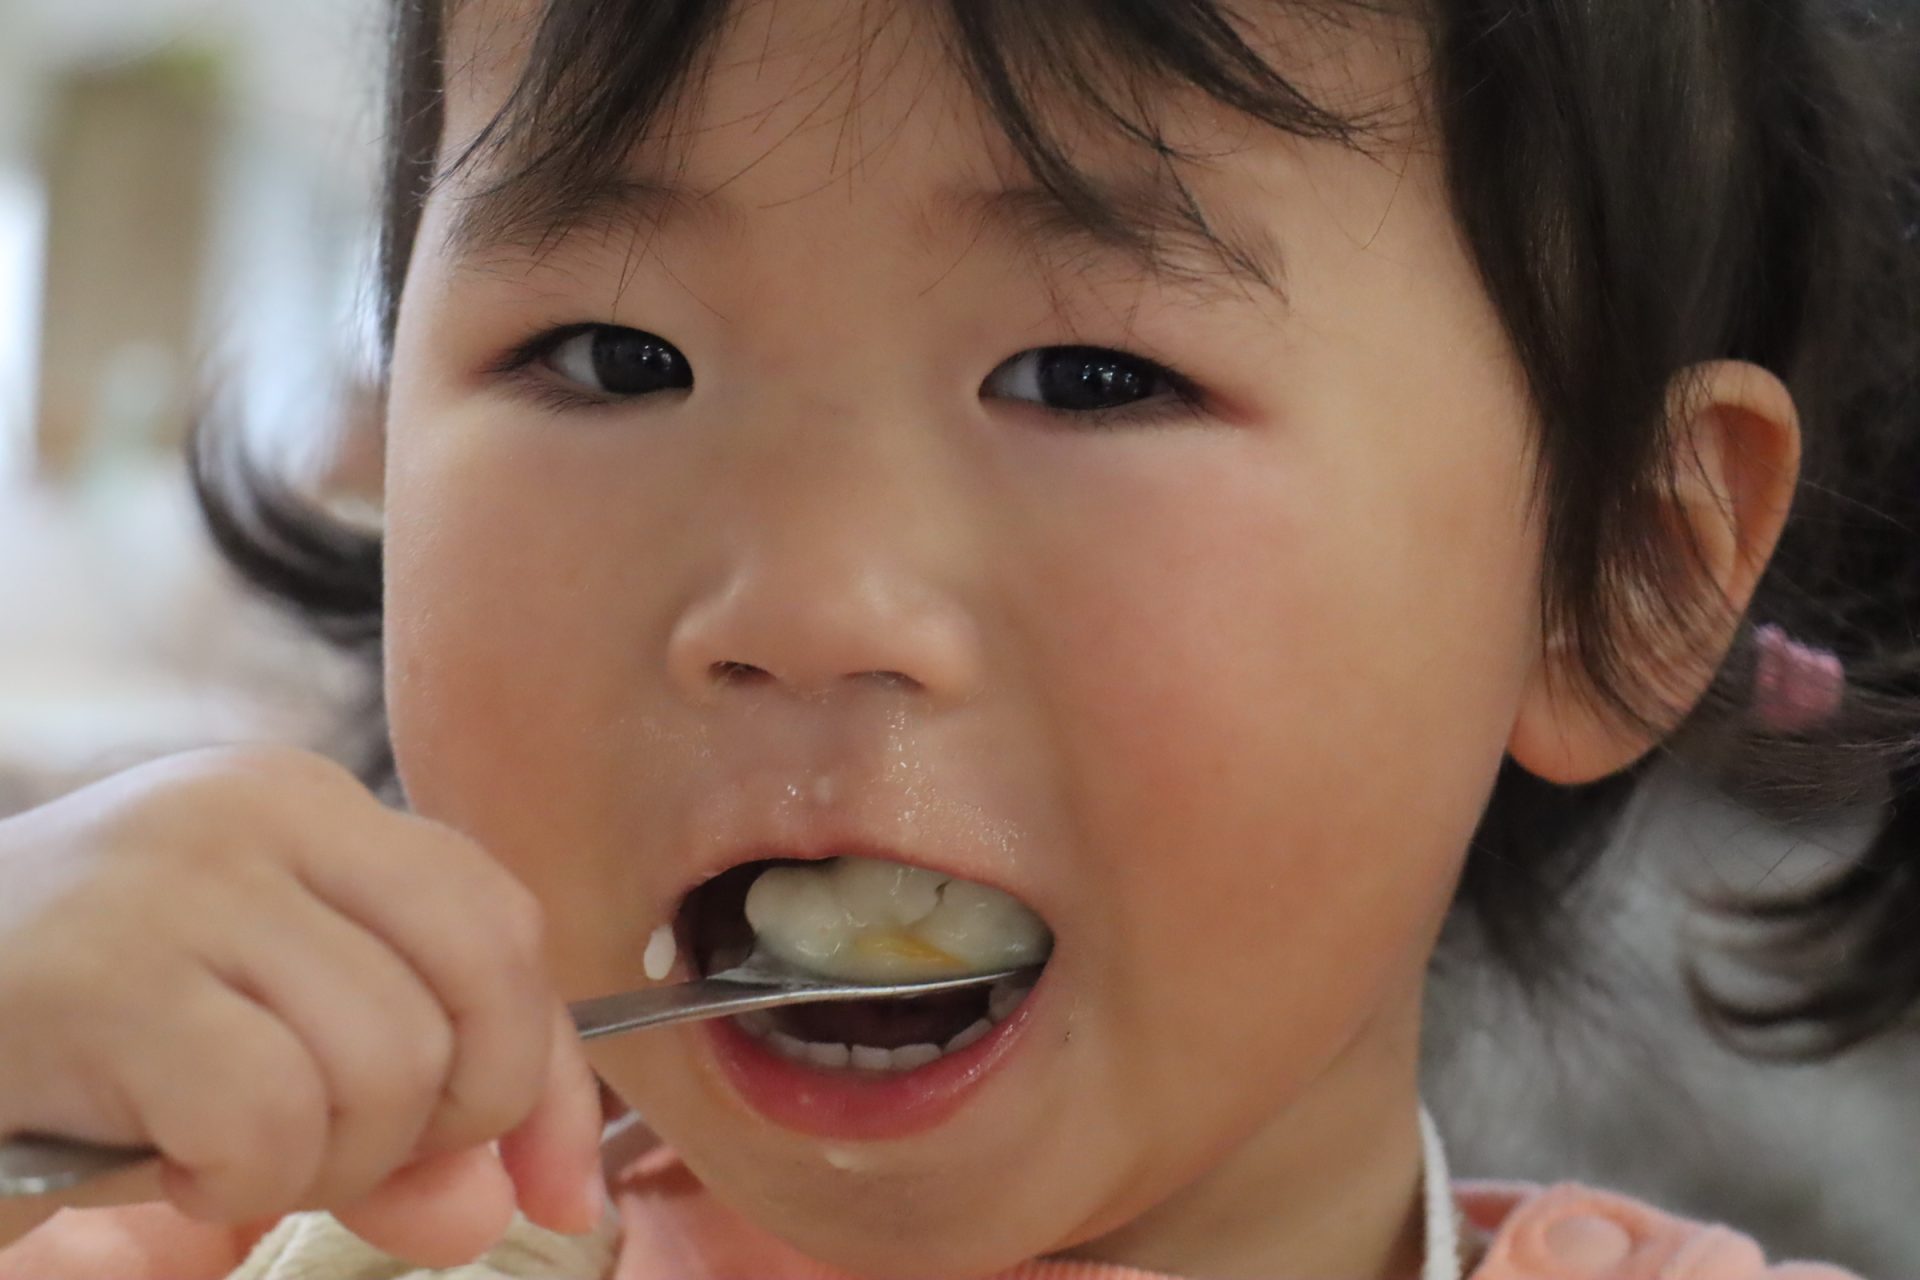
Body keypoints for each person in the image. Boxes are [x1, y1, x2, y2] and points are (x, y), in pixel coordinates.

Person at [1, 1, 1916, 1276]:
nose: (804, 605)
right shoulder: (201, 1229)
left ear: (1614, 574)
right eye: (614, 355)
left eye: (1089, 376)